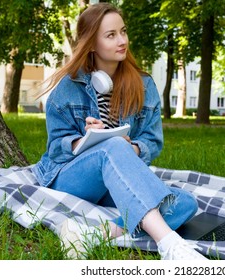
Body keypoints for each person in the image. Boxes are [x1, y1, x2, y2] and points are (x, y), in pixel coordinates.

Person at [32, 3, 207, 260]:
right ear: (91, 44)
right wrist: (82, 140)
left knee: (184, 203)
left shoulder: (144, 85)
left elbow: (151, 140)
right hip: (71, 177)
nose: (122, 40)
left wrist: (132, 147)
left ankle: (96, 234)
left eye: (123, 32)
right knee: (113, 147)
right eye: (111, 35)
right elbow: (55, 147)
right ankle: (171, 245)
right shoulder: (69, 86)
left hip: (114, 180)